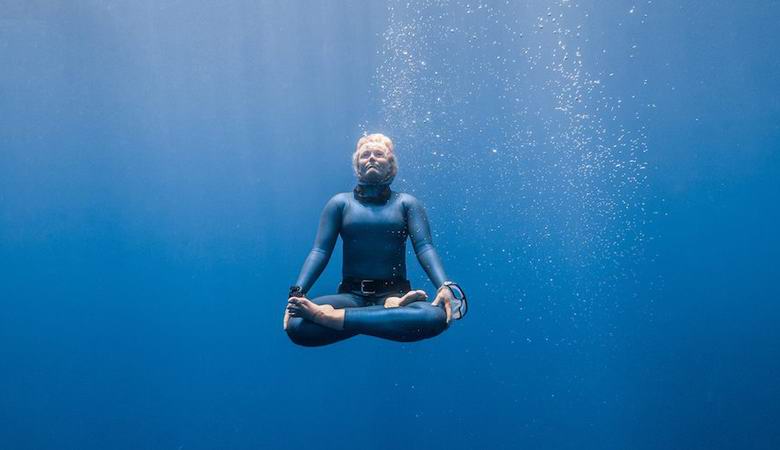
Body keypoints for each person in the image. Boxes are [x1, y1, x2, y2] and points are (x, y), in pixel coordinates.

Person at [283, 133, 463, 347]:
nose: (371, 158)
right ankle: (387, 314)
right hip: (351, 296)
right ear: (357, 166)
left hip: (397, 292)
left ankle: (330, 317)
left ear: (391, 165)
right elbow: (320, 252)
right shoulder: (339, 204)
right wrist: (297, 294)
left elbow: (425, 248)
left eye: (379, 154)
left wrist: (444, 286)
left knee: (437, 318)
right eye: (365, 155)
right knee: (296, 326)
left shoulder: (407, 203)